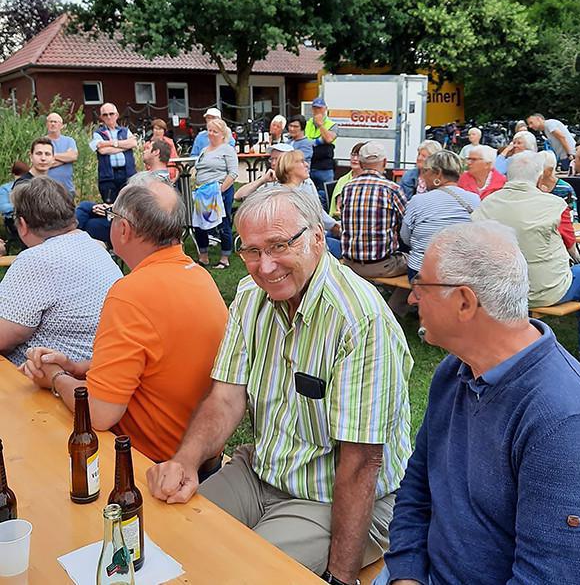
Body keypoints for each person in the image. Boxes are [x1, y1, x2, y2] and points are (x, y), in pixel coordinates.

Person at [145, 186, 413, 581]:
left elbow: (361, 462)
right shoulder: (251, 296)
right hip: (262, 472)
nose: (264, 266)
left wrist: (340, 577)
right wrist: (186, 461)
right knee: (160, 534)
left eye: (278, 246)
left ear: (318, 238)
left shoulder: (360, 319)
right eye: (251, 251)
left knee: (235, 573)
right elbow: (225, 397)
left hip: (333, 496)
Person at [374, 221, 580, 585]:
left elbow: (551, 576)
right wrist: (406, 574)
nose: (411, 297)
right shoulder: (455, 370)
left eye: (421, 285)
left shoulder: (568, 422)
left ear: (465, 302)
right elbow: (418, 486)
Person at [20, 173, 229, 465]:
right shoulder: (198, 276)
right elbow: (161, 361)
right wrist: (78, 367)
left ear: (124, 229)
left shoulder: (131, 293)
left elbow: (99, 413)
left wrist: (56, 378)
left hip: (150, 464)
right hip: (200, 453)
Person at [473, 153, 580, 372]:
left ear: (507, 175)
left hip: (498, 290)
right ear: (540, 177)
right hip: (545, 290)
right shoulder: (555, 204)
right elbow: (571, 246)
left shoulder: (486, 204)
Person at [0, 177, 120, 365]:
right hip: (101, 367)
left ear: (22, 225)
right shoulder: (93, 245)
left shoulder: (38, 259)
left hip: (55, 380)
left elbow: (4, 338)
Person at [401, 150, 479, 279]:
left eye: (426, 171)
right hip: (459, 271)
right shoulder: (474, 199)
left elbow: (405, 237)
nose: (422, 176)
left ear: (438, 173)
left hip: (421, 270)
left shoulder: (418, 200)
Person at [77, 144, 174, 245]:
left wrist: (111, 211)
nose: (143, 151)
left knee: (89, 223)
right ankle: (69, 239)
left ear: (156, 152)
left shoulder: (154, 182)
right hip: (123, 216)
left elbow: (142, 211)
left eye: (148, 149)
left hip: (133, 226)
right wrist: (110, 208)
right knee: (86, 207)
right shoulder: (159, 178)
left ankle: (67, 240)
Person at [342, 141, 408, 278]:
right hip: (382, 265)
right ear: (384, 162)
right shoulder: (392, 189)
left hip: (349, 264)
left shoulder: (347, 187)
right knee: (417, 262)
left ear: (360, 164)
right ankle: (394, 300)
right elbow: (407, 224)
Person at [275, 149, 342, 258]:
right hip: (304, 245)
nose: (307, 164)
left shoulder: (305, 185)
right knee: (346, 248)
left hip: (315, 235)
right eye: (301, 161)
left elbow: (318, 212)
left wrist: (335, 226)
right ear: (289, 167)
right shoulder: (289, 196)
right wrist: (335, 227)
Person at [193, 117, 238, 269]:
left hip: (219, 191)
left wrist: (220, 190)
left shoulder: (227, 150)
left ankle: (225, 257)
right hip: (202, 192)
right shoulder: (204, 150)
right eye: (209, 130)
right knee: (199, 224)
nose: (211, 134)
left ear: (222, 133)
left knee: (222, 223)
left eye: (215, 131)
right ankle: (203, 256)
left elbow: (233, 173)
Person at [89, 103, 138, 203]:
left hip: (128, 174)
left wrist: (112, 144)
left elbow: (133, 143)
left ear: (117, 115)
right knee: (110, 206)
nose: (109, 117)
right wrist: (124, 146)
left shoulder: (125, 131)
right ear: (101, 117)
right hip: (108, 176)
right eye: (105, 115)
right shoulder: (98, 133)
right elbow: (102, 150)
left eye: (111, 113)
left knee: (129, 204)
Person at [305, 97, 338, 199]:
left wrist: (320, 125)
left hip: (324, 168)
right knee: (308, 196)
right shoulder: (307, 123)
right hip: (308, 166)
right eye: (315, 108)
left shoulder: (332, 125)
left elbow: (328, 139)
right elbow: (303, 140)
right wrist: (318, 141)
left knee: (326, 196)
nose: (317, 111)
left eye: (320, 108)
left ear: (325, 109)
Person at [45, 112, 78, 194]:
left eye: (55, 122)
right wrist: (66, 158)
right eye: (50, 121)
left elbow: (73, 157)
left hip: (67, 189)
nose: (53, 124)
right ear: (46, 124)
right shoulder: (42, 142)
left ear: (61, 125)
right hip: (47, 189)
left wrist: (52, 155)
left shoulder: (69, 141)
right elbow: (44, 163)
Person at [330, 141, 364, 218]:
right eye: (353, 155)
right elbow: (338, 208)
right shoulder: (342, 180)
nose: (355, 159)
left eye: (359, 156)